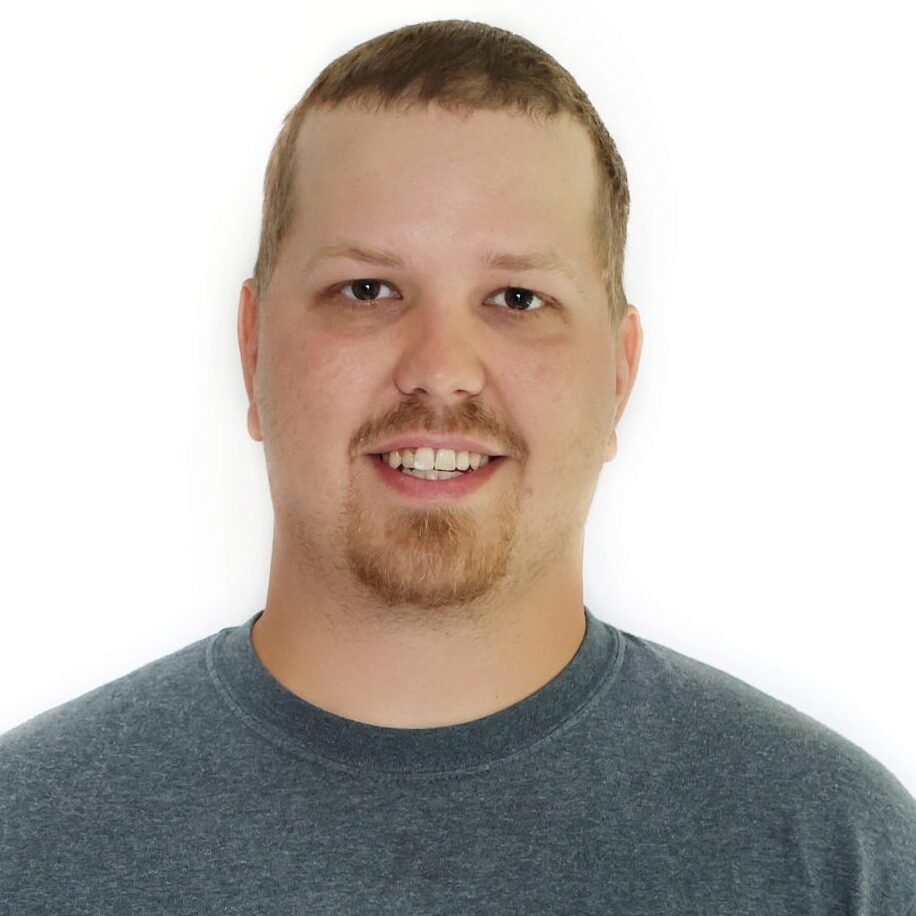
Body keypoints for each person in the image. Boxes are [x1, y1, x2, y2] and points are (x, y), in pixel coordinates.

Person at [1, 18, 913, 914]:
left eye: (518, 298)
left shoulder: (837, 857)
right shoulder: (24, 841)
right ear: (252, 350)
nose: (440, 367)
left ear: (621, 375)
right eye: (366, 290)